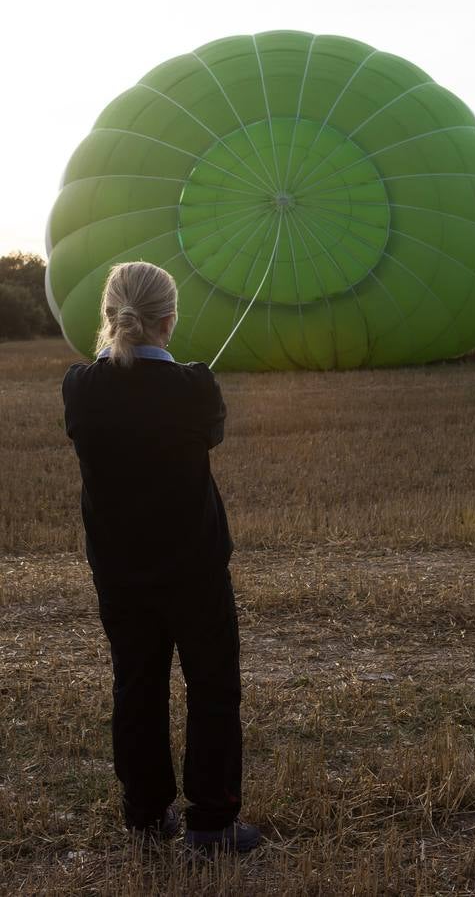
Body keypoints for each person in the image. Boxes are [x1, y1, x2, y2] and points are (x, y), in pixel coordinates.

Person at [61, 261, 260, 853]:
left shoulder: (80, 387)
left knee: (137, 686)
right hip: (194, 567)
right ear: (170, 320)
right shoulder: (195, 388)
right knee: (213, 687)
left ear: (109, 315)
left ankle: (145, 815)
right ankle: (211, 823)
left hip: (120, 573)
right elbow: (211, 432)